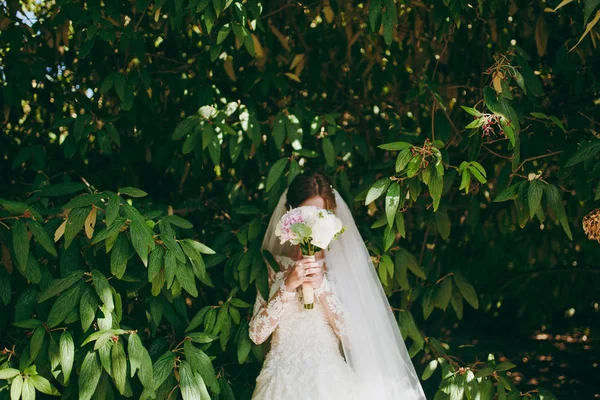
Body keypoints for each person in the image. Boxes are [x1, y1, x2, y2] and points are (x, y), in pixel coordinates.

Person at [249, 173, 426, 400]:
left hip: (330, 383)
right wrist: (288, 287)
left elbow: (354, 340)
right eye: (305, 218)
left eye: (319, 218)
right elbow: (256, 335)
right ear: (290, 218)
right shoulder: (273, 266)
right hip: (280, 383)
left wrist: (322, 288)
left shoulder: (342, 269)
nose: (311, 229)